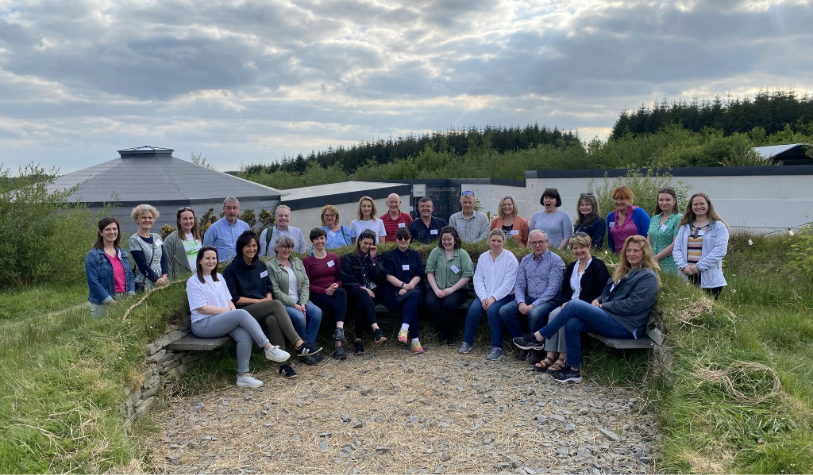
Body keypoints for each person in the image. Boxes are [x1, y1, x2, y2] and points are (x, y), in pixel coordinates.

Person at [514, 235, 660, 384]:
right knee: (573, 323)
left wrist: (604, 306)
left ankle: (539, 337)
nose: (631, 254)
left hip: (626, 325)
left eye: (636, 251)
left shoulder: (647, 277)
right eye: (629, 250)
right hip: (611, 317)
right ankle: (573, 370)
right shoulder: (624, 271)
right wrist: (599, 300)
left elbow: (634, 305)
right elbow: (607, 291)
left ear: (645, 253)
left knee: (574, 304)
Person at [186, 246, 291, 388]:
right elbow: (202, 308)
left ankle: (243, 376)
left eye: (214, 258)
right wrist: (230, 313)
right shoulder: (193, 281)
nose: (211, 261)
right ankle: (268, 348)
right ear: (199, 260)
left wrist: (233, 315)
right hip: (203, 324)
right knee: (241, 313)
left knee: (244, 334)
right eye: (208, 258)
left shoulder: (219, 278)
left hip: (221, 319)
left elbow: (229, 301)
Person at [223, 231, 322, 379]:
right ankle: (299, 344)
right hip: (243, 311)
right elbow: (233, 298)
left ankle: (283, 365)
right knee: (276, 304)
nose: (251, 249)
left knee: (272, 320)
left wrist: (267, 298)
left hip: (265, 306)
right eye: (248, 246)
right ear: (241, 248)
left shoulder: (260, 265)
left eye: (254, 245)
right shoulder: (231, 270)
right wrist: (260, 302)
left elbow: (268, 288)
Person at [536, 233, 610, 373]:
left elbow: (601, 291)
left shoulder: (597, 266)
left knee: (567, 319)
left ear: (589, 247)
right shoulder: (572, 266)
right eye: (575, 248)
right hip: (569, 304)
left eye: (582, 247)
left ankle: (562, 358)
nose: (578, 251)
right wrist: (565, 302)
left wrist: (578, 304)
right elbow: (565, 289)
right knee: (554, 314)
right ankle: (550, 355)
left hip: (586, 307)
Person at [499, 230, 564, 361]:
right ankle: (523, 345)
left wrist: (534, 305)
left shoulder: (556, 261)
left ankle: (537, 349)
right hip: (530, 297)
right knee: (505, 311)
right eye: (534, 243)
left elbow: (553, 289)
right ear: (529, 244)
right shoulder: (525, 260)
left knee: (535, 313)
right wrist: (521, 302)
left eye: (541, 242)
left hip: (550, 300)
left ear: (547, 243)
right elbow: (519, 285)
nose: (537, 245)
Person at [459, 229, 518, 361]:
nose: (496, 243)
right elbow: (478, 279)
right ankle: (467, 342)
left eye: (499, 241)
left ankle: (497, 347)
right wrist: (484, 297)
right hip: (484, 295)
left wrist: (493, 298)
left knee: (492, 310)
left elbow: (509, 283)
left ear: (503, 242)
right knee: (474, 309)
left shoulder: (510, 258)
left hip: (505, 296)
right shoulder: (483, 257)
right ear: (489, 241)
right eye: (493, 240)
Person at [266, 235, 324, 365]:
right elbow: (276, 291)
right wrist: (295, 305)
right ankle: (303, 351)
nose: (287, 249)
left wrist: (302, 303)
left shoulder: (297, 261)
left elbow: (305, 283)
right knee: (300, 318)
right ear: (277, 248)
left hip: (301, 300)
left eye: (290, 246)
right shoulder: (271, 266)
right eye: (284, 247)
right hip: (285, 304)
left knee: (317, 313)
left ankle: (307, 348)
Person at [304, 227, 350, 360]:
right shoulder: (307, 260)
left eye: (322, 238)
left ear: (326, 239)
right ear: (312, 241)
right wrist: (324, 291)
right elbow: (306, 284)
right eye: (316, 238)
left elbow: (339, 278)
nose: (319, 241)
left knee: (342, 292)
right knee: (340, 308)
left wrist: (337, 285)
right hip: (319, 294)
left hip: (335, 292)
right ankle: (338, 346)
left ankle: (339, 331)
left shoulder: (333, 257)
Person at [340, 229, 388, 355]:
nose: (367, 246)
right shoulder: (349, 258)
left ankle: (358, 342)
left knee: (361, 307)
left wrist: (373, 260)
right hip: (355, 292)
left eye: (370, 244)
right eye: (365, 243)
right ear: (359, 241)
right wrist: (363, 288)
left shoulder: (376, 256)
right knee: (362, 294)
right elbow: (346, 279)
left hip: (373, 293)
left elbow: (379, 276)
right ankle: (376, 329)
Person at [673, 193, 729, 299]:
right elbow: (677, 249)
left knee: (706, 313)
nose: (699, 207)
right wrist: (683, 266)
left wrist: (698, 267)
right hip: (686, 275)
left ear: (708, 205)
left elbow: (719, 251)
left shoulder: (719, 227)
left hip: (709, 279)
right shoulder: (684, 226)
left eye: (702, 204)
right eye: (695, 204)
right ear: (691, 207)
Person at [425, 227, 473, 346]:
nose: (446, 242)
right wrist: (436, 290)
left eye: (449, 239)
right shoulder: (436, 252)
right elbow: (429, 272)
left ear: (455, 240)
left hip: (457, 289)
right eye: (444, 239)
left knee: (449, 305)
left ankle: (451, 333)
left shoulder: (462, 254)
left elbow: (467, 275)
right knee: (430, 304)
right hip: (438, 287)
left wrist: (451, 289)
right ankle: (445, 330)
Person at [383, 228, 425, 354]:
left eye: (405, 237)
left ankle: (405, 329)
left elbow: (419, 274)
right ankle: (415, 340)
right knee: (413, 299)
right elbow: (388, 276)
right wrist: (402, 286)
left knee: (413, 295)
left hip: (413, 287)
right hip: (394, 289)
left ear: (409, 239)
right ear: (396, 239)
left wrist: (408, 286)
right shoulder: (390, 255)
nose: (403, 240)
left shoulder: (415, 254)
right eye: (400, 237)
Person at [85, 217, 135, 319]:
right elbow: (93, 282)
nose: (112, 232)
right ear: (101, 232)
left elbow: (130, 275)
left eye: (114, 229)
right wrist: (110, 302)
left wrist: (131, 296)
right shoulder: (93, 255)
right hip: (102, 302)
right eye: (108, 229)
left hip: (124, 299)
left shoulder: (123, 252)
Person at [128, 204, 169, 292]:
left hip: (163, 281)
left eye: (150, 217)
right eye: (144, 217)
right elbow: (142, 264)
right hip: (146, 283)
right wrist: (157, 280)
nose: (147, 220)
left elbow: (163, 259)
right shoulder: (134, 240)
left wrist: (164, 277)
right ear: (137, 220)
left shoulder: (157, 237)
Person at [203, 197, 250, 262]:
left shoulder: (245, 226)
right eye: (229, 208)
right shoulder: (214, 228)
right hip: (221, 267)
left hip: (241, 265)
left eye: (234, 208)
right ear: (223, 209)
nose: (232, 211)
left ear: (238, 210)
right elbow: (206, 251)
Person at [647, 187, 682, 274]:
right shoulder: (655, 218)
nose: (664, 203)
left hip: (670, 263)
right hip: (652, 263)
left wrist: (656, 258)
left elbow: (676, 243)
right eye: (661, 200)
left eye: (668, 200)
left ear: (674, 201)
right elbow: (648, 240)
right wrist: (650, 258)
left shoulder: (678, 218)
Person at [606, 186, 650, 254]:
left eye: (622, 199)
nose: (618, 202)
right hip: (617, 256)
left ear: (629, 200)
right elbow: (610, 241)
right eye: (616, 199)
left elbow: (648, 235)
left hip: (637, 255)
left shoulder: (639, 213)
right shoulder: (610, 216)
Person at [164, 207, 202, 279]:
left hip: (199, 277)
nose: (188, 221)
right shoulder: (171, 240)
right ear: (179, 221)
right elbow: (167, 262)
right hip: (182, 278)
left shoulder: (197, 236)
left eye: (191, 218)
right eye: (185, 219)